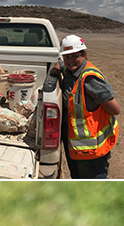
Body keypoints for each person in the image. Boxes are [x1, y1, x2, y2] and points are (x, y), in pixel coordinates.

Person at [48, 35, 120, 179]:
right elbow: (64, 65)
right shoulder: (70, 71)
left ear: (84, 55)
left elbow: (115, 109)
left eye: (74, 56)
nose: (70, 61)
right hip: (76, 147)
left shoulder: (89, 79)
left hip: (92, 150)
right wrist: (58, 66)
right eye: (66, 57)